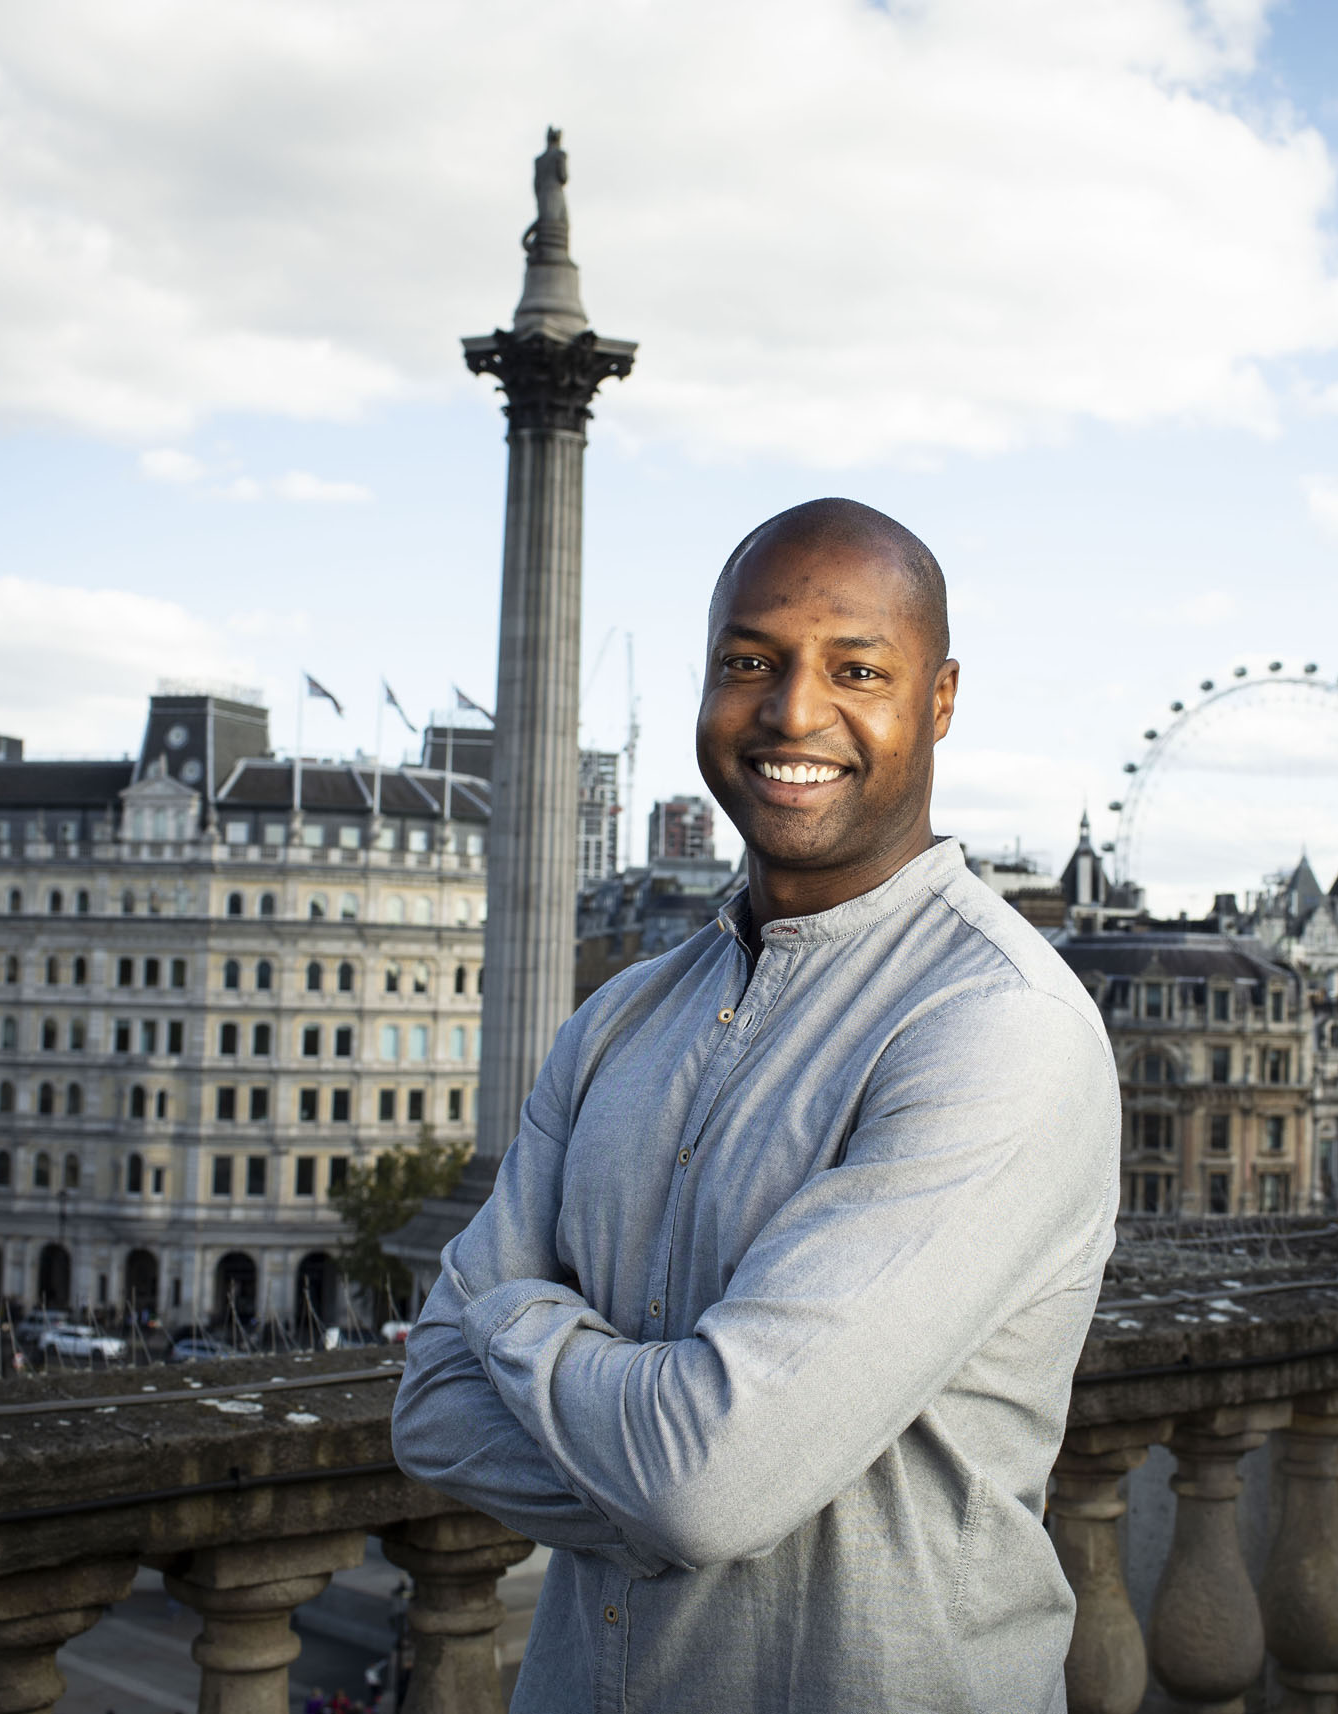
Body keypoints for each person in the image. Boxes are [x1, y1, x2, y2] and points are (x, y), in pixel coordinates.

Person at [393, 498, 1120, 1711]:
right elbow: (429, 1408)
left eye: (856, 669)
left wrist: (510, 1318)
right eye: (750, 662)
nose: (791, 711)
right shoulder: (619, 1015)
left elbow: (705, 1483)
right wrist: (676, 1480)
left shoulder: (997, 1026)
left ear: (938, 701)